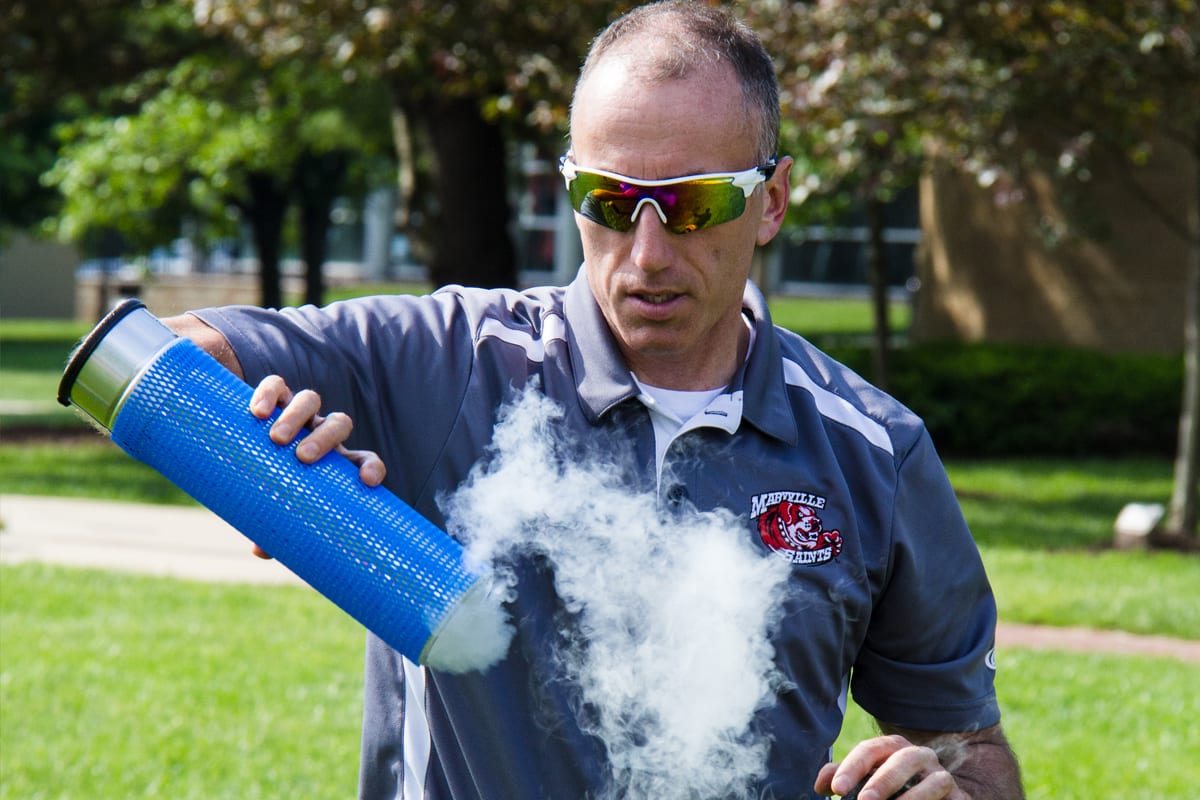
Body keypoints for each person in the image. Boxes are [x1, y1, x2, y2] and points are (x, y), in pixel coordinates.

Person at [166, 2, 1023, 798]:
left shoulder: (872, 449)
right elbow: (157, 357)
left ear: (772, 201)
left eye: (692, 205)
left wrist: (940, 784)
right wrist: (261, 452)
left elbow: (968, 751)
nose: (645, 254)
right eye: (610, 202)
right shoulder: (449, 361)